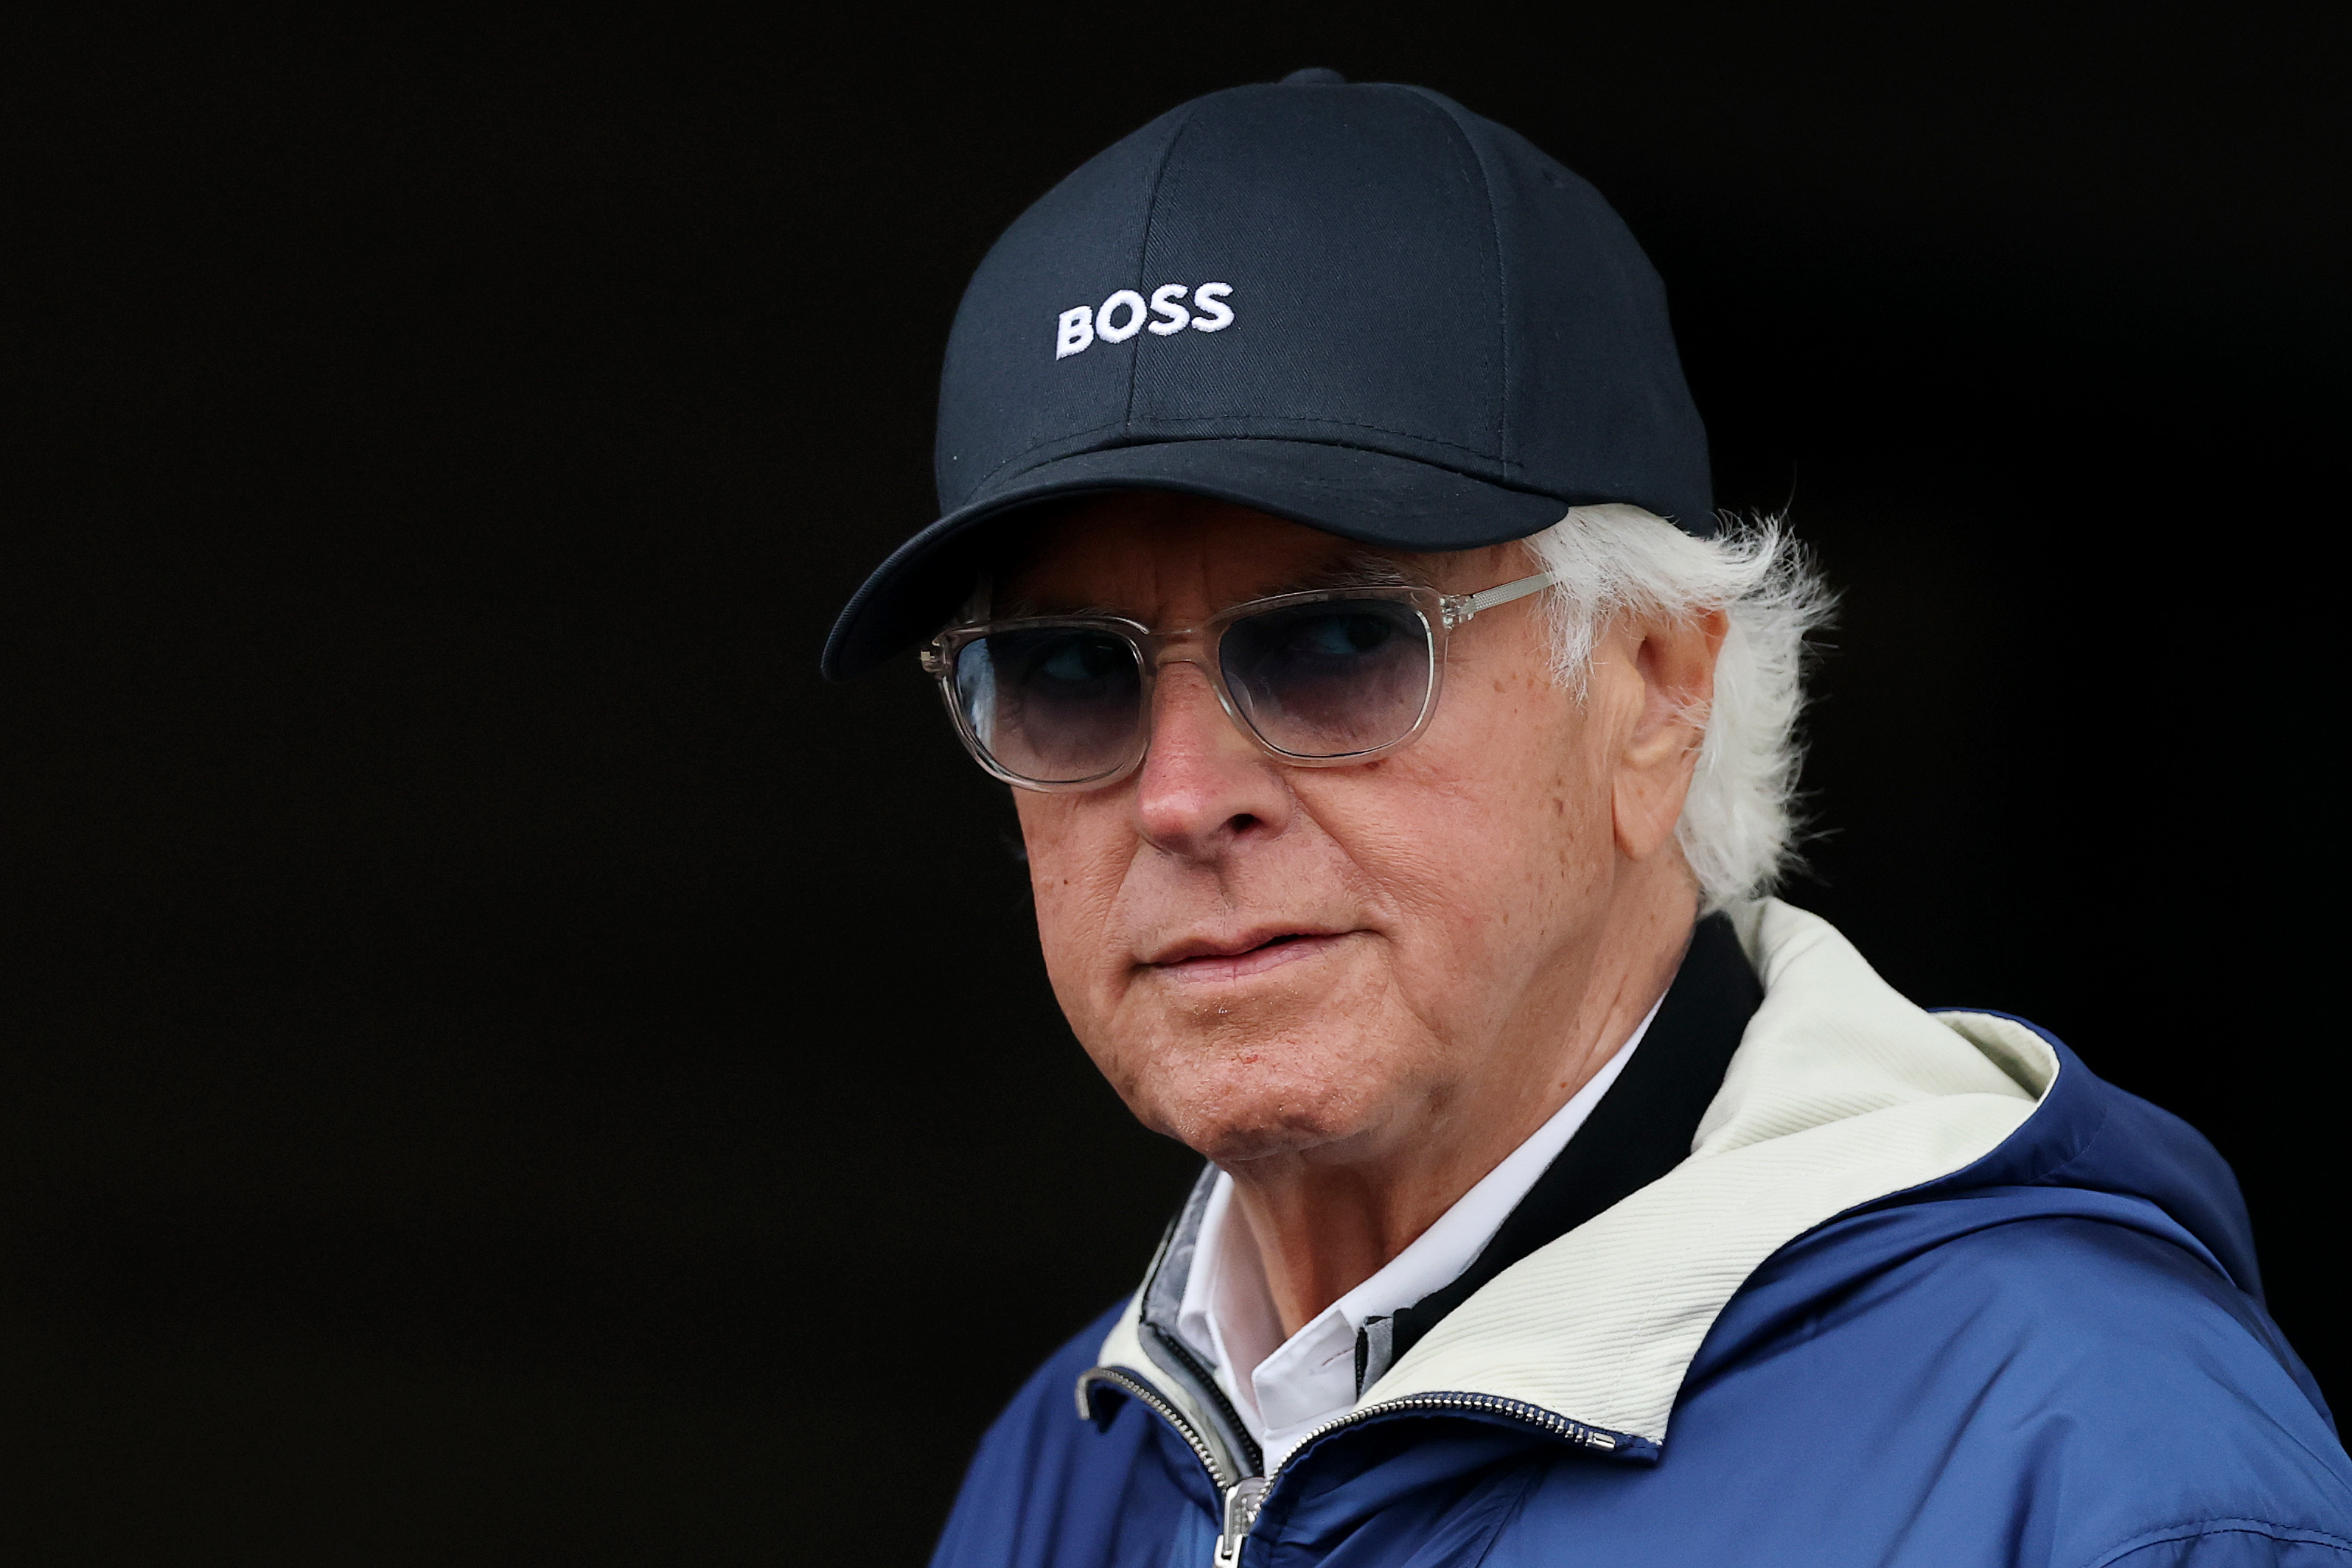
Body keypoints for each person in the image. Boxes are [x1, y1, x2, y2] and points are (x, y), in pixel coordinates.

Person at [823, 69, 2351, 1568]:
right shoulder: (1074, 1465)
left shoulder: (2109, 1474)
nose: (1178, 795)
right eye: (1068, 672)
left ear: (1654, 694)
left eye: (1338, 644)